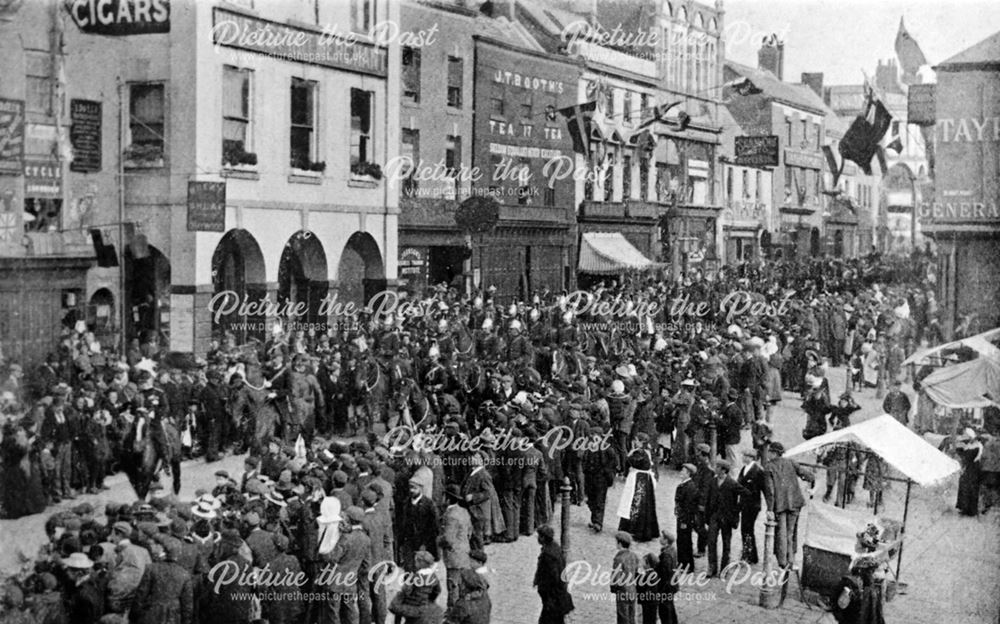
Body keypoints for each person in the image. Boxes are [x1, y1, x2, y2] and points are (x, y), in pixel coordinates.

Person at [763, 441, 815, 570]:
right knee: (791, 533)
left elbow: (770, 491)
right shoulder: (790, 462)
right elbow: (807, 475)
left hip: (780, 504)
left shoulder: (768, 467)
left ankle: (783, 562)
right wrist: (811, 478)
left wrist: (770, 509)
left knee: (781, 533)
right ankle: (791, 559)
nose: (768, 453)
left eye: (769, 451)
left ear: (774, 453)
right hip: (795, 502)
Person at [704, 459, 748, 577]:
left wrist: (736, 509)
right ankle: (712, 568)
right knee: (711, 541)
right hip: (714, 516)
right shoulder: (712, 481)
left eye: (718, 467)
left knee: (726, 544)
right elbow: (707, 499)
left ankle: (724, 569)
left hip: (726, 519)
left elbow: (746, 494)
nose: (715, 469)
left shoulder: (732, 483)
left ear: (724, 470)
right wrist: (707, 516)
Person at [616, 434, 659, 542]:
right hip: (645, 479)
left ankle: (634, 530)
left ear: (640, 441)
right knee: (643, 504)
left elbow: (632, 461)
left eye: (636, 440)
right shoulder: (648, 451)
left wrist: (629, 455)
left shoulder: (639, 452)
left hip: (638, 479)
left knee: (635, 503)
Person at [532, 525, 573, 624]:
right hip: (556, 595)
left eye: (539, 536)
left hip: (553, 596)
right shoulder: (554, 547)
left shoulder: (548, 555)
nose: (538, 538)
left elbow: (552, 577)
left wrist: (542, 586)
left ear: (543, 538)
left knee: (549, 619)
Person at [583, 426, 617, 533]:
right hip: (590, 477)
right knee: (591, 499)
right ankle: (594, 520)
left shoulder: (607, 448)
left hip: (601, 478)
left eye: (594, 435)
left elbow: (614, 462)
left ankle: (598, 522)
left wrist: (608, 472)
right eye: (591, 435)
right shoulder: (588, 446)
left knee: (600, 500)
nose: (592, 437)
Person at [737, 448, 765, 565]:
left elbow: (763, 488)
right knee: (746, 529)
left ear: (750, 458)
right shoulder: (744, 469)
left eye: (745, 456)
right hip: (744, 504)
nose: (743, 458)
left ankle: (748, 555)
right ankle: (751, 555)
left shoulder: (757, 471)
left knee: (747, 529)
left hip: (752, 505)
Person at [673, 463, 699, 573]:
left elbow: (689, 506)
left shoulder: (690, 487)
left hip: (685, 519)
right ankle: (682, 563)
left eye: (683, 471)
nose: (681, 473)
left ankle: (687, 565)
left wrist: (684, 521)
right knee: (681, 540)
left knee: (685, 541)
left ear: (688, 473)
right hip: (681, 517)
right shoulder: (684, 485)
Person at [610, 531, 639, 624]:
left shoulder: (618, 559)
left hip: (622, 591)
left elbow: (616, 577)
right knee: (631, 615)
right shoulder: (633, 555)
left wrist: (613, 589)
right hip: (632, 590)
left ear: (620, 544)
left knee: (622, 616)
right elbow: (637, 571)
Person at [955, 428, 983, 516]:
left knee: (971, 487)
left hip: (973, 468)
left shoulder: (977, 446)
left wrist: (962, 451)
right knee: (965, 487)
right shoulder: (970, 445)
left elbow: (968, 457)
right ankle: (964, 507)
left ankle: (970, 509)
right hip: (969, 468)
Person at [654, 531, 679, 624]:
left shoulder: (666, 555)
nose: (660, 538)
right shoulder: (672, 550)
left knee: (664, 610)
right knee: (670, 607)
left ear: (666, 540)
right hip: (671, 585)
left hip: (665, 587)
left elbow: (665, 573)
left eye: (662, 537)